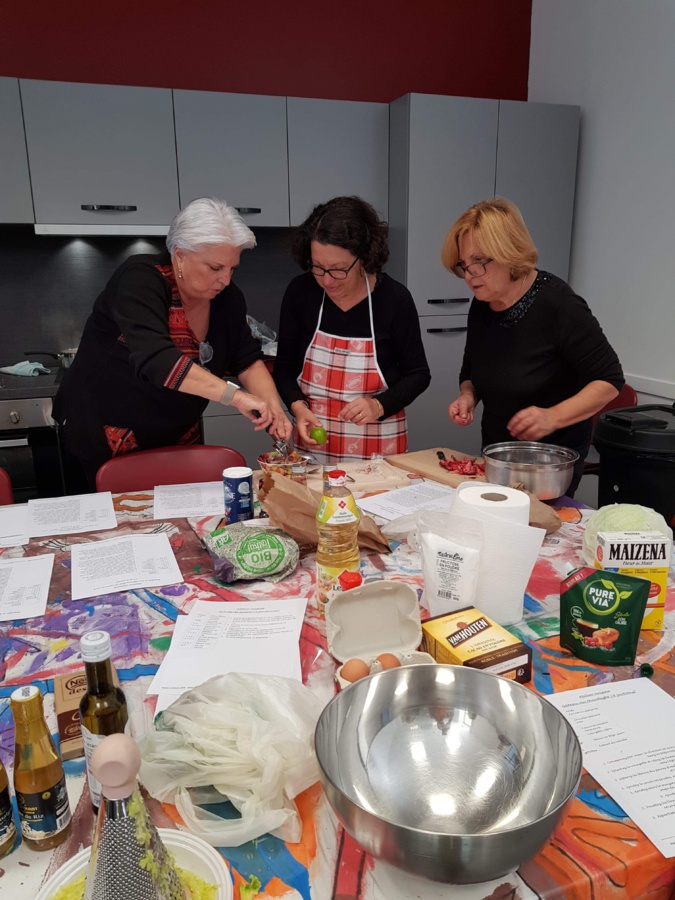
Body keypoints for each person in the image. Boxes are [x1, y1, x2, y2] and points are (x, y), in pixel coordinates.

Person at [54, 197, 291, 488]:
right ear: (180, 254)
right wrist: (236, 397)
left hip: (176, 433)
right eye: (215, 267)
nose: (225, 280)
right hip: (107, 432)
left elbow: (247, 358)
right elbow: (157, 359)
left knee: (179, 522)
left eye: (232, 269)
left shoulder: (227, 299)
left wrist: (273, 408)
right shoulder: (141, 279)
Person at [442, 197, 624, 495]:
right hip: (498, 453)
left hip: (550, 463)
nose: (470, 276)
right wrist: (468, 396)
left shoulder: (558, 305)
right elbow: (472, 368)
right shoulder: (483, 304)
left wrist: (552, 416)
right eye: (464, 265)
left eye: (480, 261)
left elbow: (609, 380)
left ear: (509, 252)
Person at [273, 196, 431, 464]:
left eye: (337, 270)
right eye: (318, 267)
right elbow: (284, 368)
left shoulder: (394, 299)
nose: (326, 280)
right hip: (314, 446)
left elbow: (418, 375)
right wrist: (298, 408)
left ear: (364, 258)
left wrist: (378, 405)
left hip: (378, 448)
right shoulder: (301, 293)